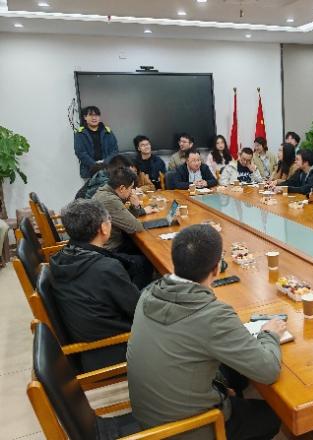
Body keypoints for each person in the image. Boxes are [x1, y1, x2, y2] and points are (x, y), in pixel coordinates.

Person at [127, 224, 284, 440]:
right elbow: (268, 371)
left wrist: (220, 389)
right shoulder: (212, 315)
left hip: (148, 414)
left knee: (234, 375)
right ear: (217, 268)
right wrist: (269, 334)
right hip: (185, 430)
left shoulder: (149, 292)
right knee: (272, 415)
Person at [49, 199, 141, 371]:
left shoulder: (59, 258)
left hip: (89, 347)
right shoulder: (106, 268)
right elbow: (139, 311)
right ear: (104, 228)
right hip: (114, 348)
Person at [93, 167, 155, 287]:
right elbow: (135, 226)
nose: (132, 192)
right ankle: (135, 295)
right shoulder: (110, 200)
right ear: (122, 188)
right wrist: (136, 205)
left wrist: (136, 207)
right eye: (131, 188)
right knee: (145, 262)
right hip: (107, 250)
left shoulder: (104, 192)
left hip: (108, 243)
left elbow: (124, 218)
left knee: (142, 248)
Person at [74, 106, 119, 179]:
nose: (94, 118)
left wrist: (105, 163)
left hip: (108, 169)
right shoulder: (80, 133)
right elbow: (80, 152)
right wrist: (95, 165)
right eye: (91, 115)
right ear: (85, 117)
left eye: (96, 115)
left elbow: (115, 150)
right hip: (88, 172)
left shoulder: (108, 132)